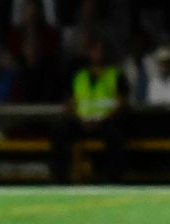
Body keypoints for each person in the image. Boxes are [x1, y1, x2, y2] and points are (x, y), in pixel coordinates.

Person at [51, 36, 128, 183]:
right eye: (94, 50)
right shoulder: (79, 76)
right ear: (89, 52)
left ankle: (112, 180)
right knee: (60, 132)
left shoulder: (115, 74)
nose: (98, 53)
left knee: (116, 137)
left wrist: (102, 120)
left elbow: (121, 104)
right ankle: (59, 178)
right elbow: (70, 104)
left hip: (105, 123)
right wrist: (80, 120)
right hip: (82, 123)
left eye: (101, 50)